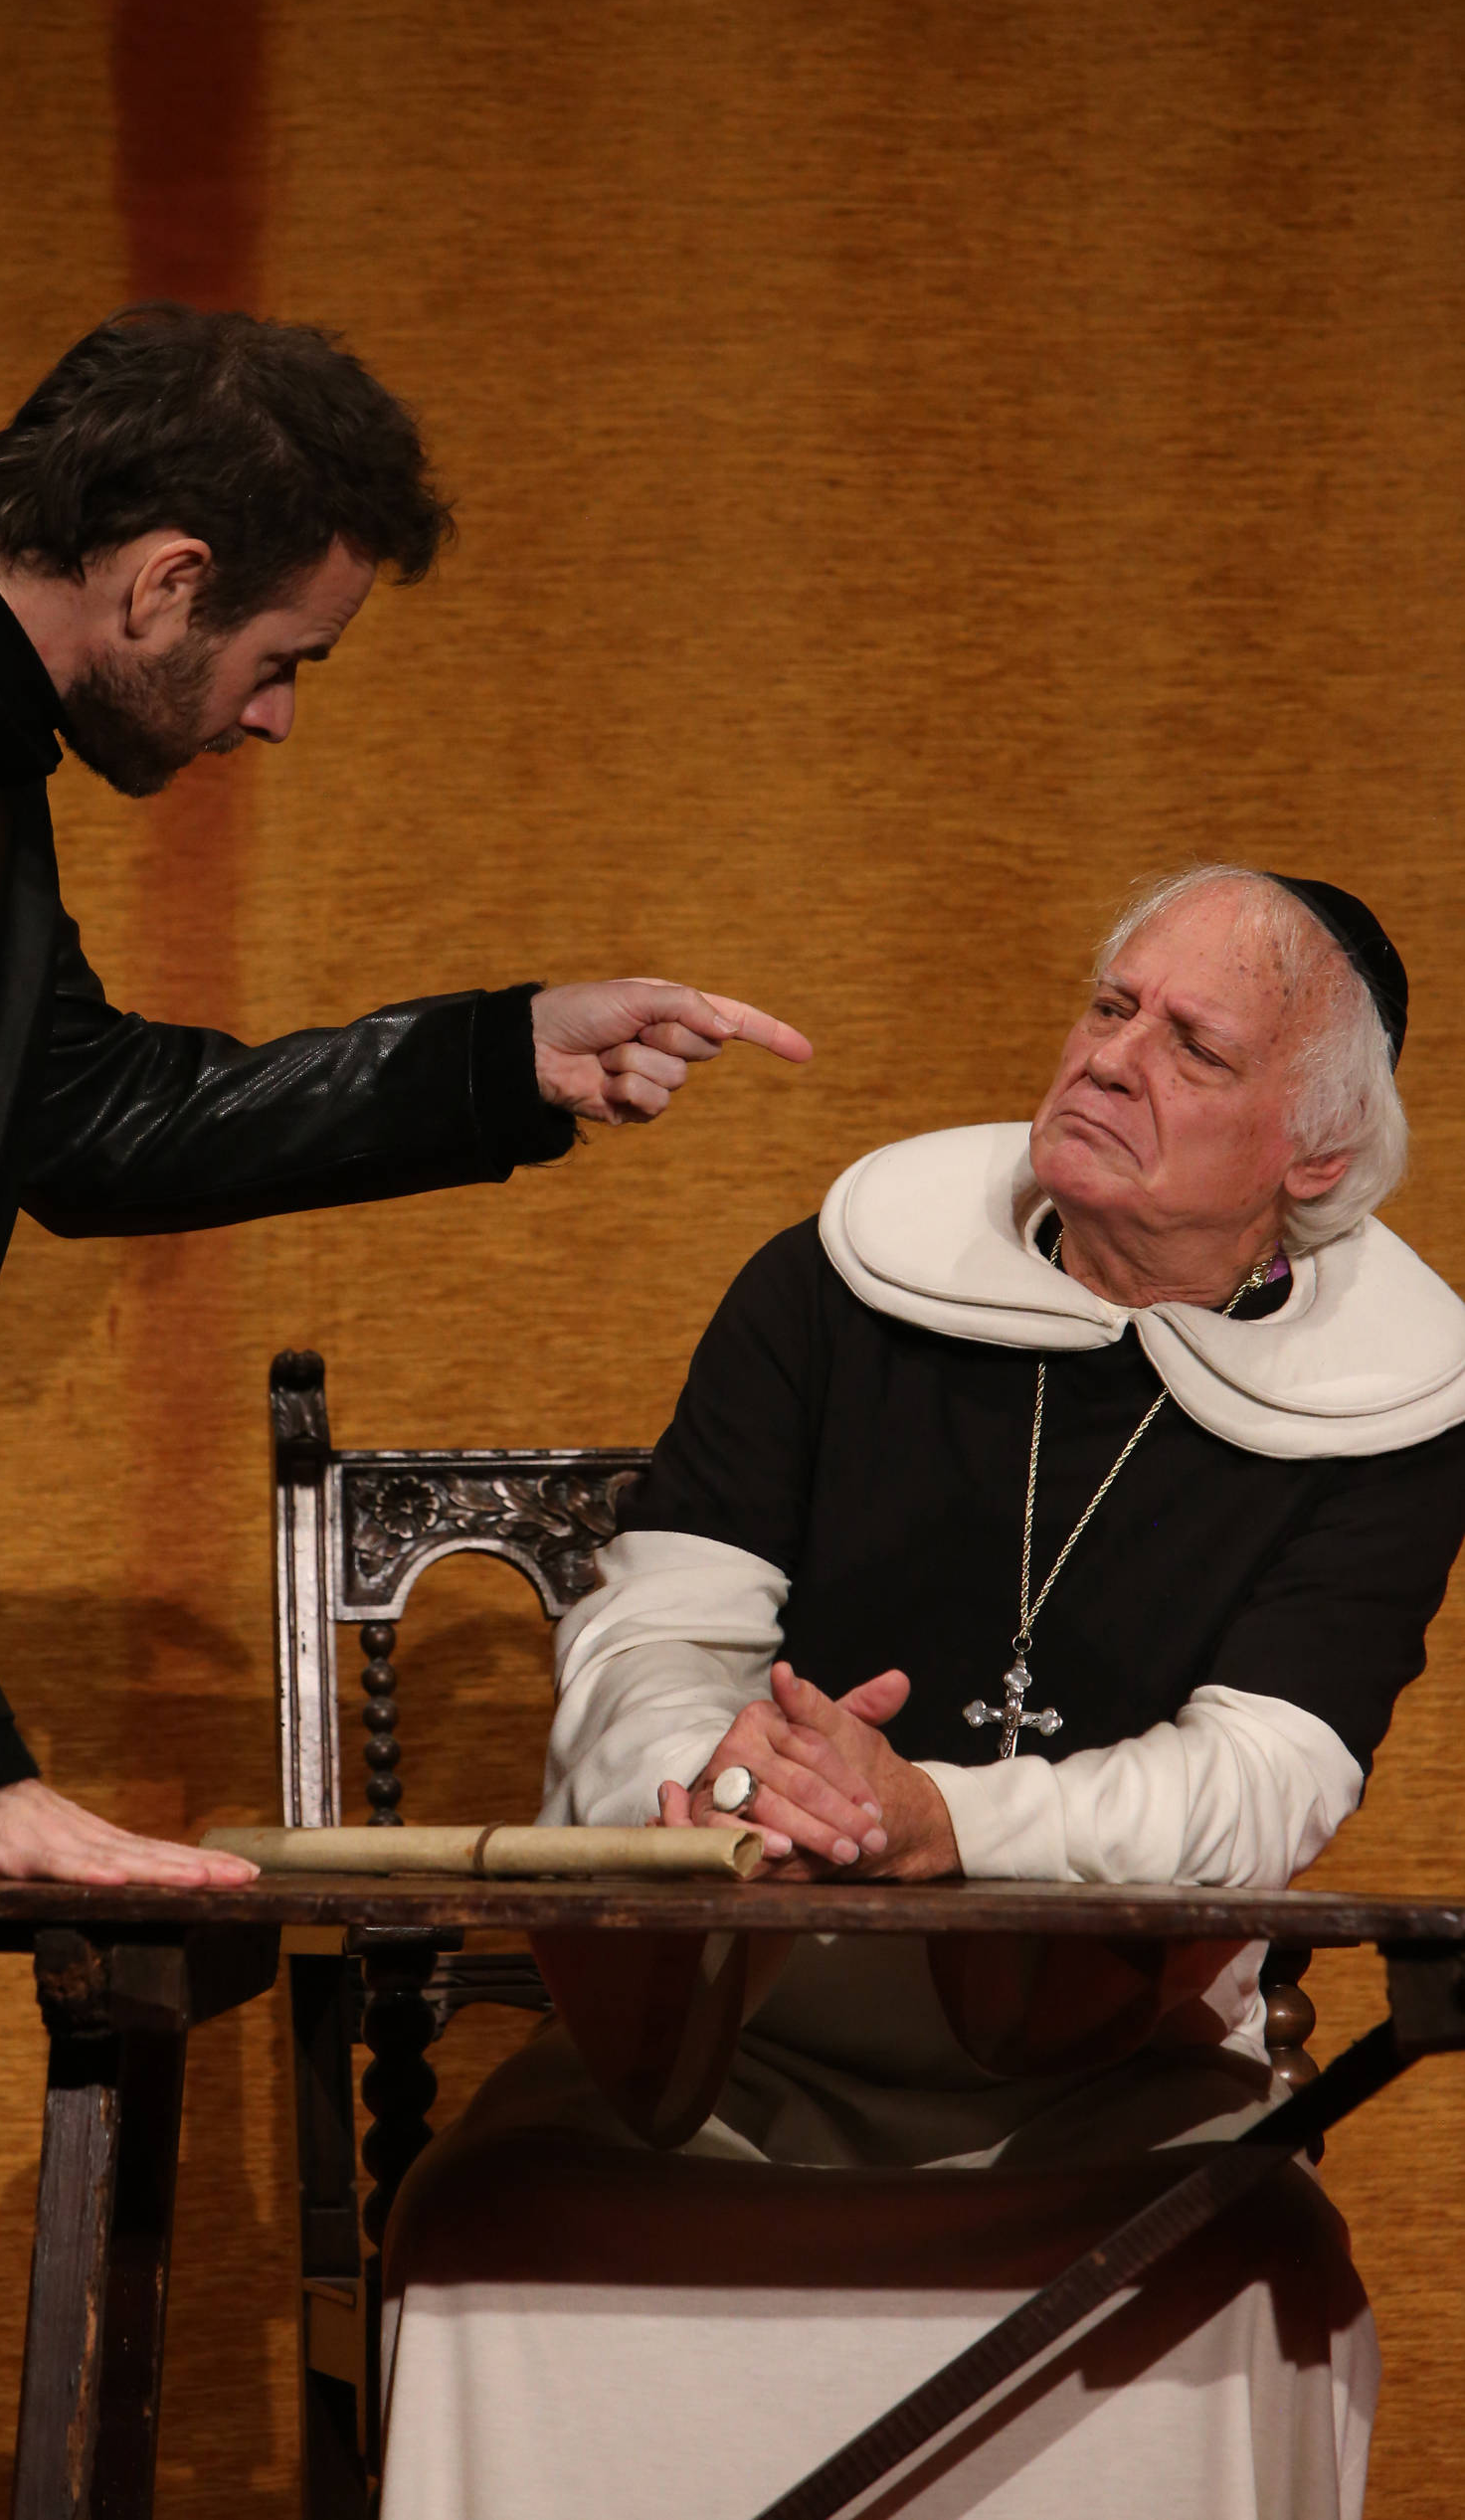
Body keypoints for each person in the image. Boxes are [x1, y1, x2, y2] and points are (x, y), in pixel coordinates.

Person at [0, 303, 811, 2517]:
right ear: (165, 580)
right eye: (284, 658)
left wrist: (497, 1056)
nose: (279, 717)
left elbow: (85, 1115)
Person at [380, 865, 1465, 2520]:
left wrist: (935, 1816)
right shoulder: (834, 1282)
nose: (1111, 1057)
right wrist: (724, 1778)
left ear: (1312, 1157)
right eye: (1111, 1006)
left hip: (1119, 2082)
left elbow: (1261, 1783)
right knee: (484, 2224)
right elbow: (652, 1632)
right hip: (729, 2053)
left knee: (1252, 2268)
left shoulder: (1387, 1410)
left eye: (1194, 1047)